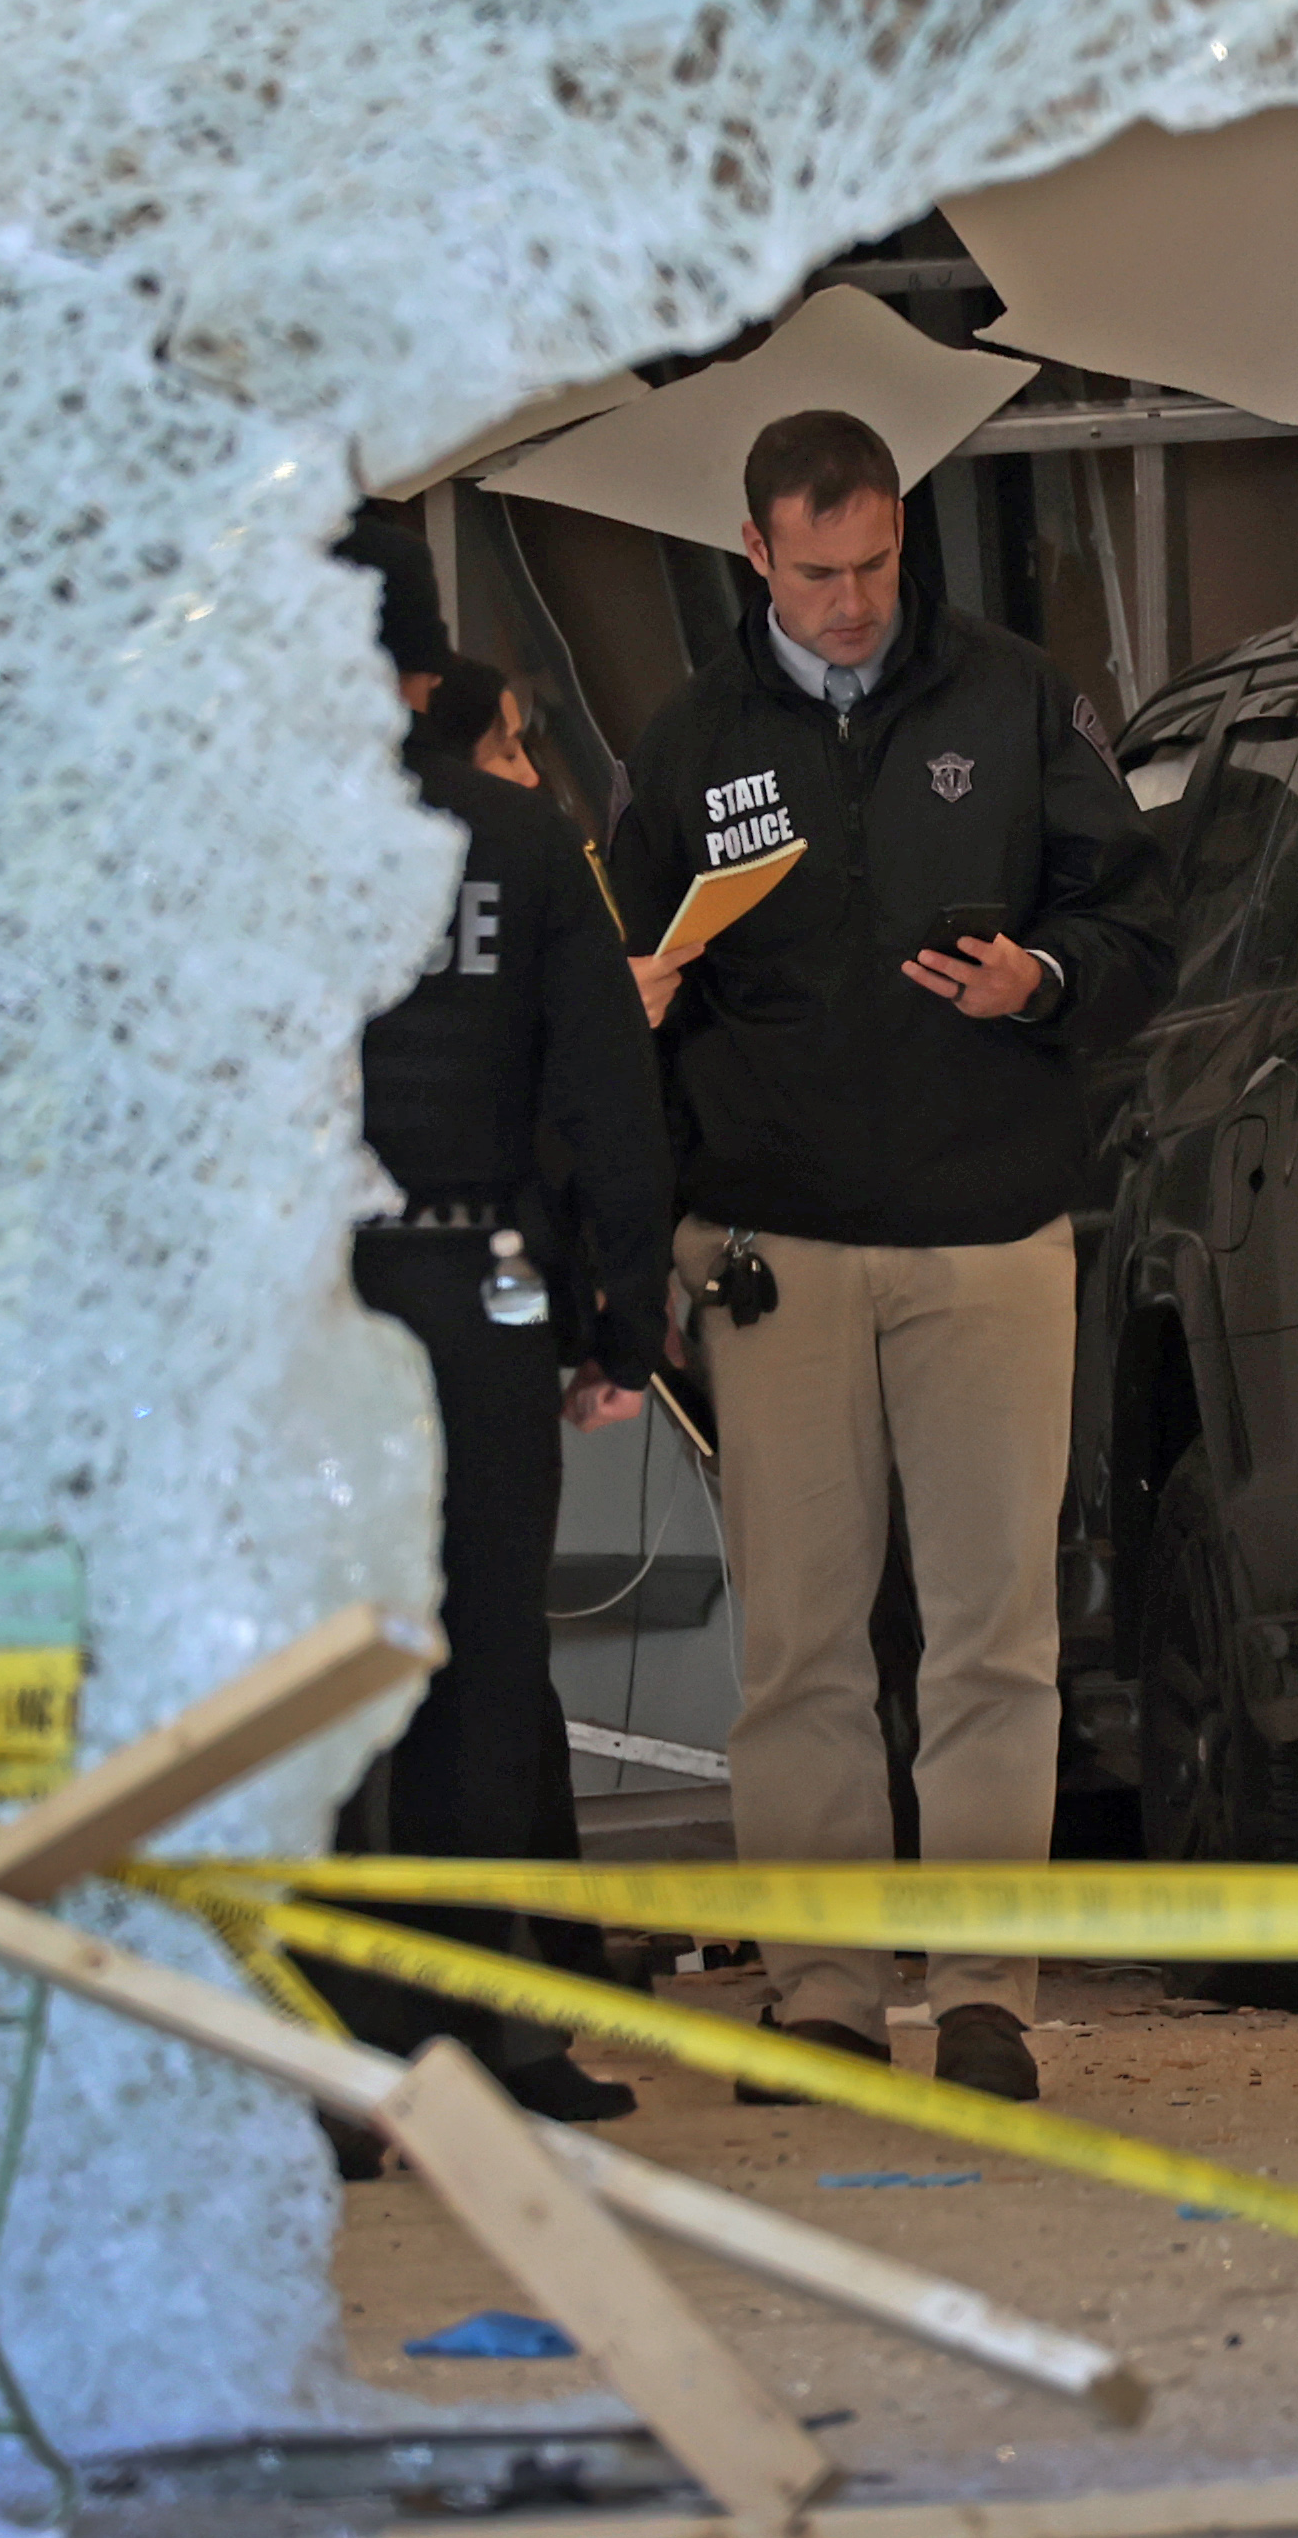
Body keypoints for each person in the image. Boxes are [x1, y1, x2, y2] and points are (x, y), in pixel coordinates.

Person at [607, 409, 1172, 2103]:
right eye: (818, 571)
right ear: (757, 553)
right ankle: (827, 1993)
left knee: (996, 1628)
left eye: (875, 567)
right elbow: (621, 988)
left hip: (989, 1225)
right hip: (772, 1239)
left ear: (901, 542)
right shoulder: (692, 738)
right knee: (801, 1641)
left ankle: (988, 1985)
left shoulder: (1015, 700)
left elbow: (1141, 920)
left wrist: (1047, 979)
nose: (852, 604)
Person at [338, 567, 675, 2124]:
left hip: (301, 1308)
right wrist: (620, 1325)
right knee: (482, 1663)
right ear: (429, 684)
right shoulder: (529, 843)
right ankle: (494, 2035)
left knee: (317, 1675)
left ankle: (331, 2060)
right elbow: (615, 1109)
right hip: (479, 1289)